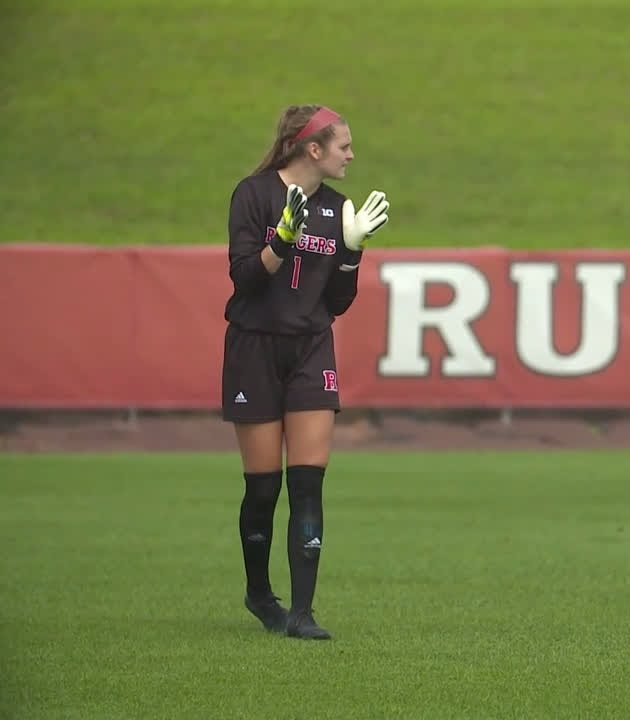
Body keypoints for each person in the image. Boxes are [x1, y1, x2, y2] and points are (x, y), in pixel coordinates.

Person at [221, 104, 389, 640]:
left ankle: (302, 612)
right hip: (255, 349)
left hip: (311, 348)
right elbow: (246, 278)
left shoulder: (338, 208)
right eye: (343, 146)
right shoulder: (253, 194)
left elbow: (338, 302)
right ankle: (258, 594)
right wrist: (281, 241)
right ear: (312, 149)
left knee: (309, 485)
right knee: (263, 489)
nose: (351, 155)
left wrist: (353, 250)